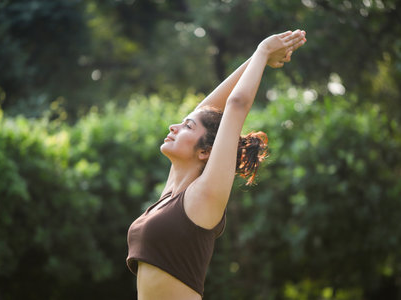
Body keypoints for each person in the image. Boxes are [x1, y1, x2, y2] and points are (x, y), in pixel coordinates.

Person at [127, 29, 307, 300]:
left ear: (205, 152)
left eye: (186, 127)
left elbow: (236, 104)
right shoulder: (171, 193)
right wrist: (258, 58)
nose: (174, 126)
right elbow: (204, 111)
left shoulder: (203, 196)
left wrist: (262, 51)